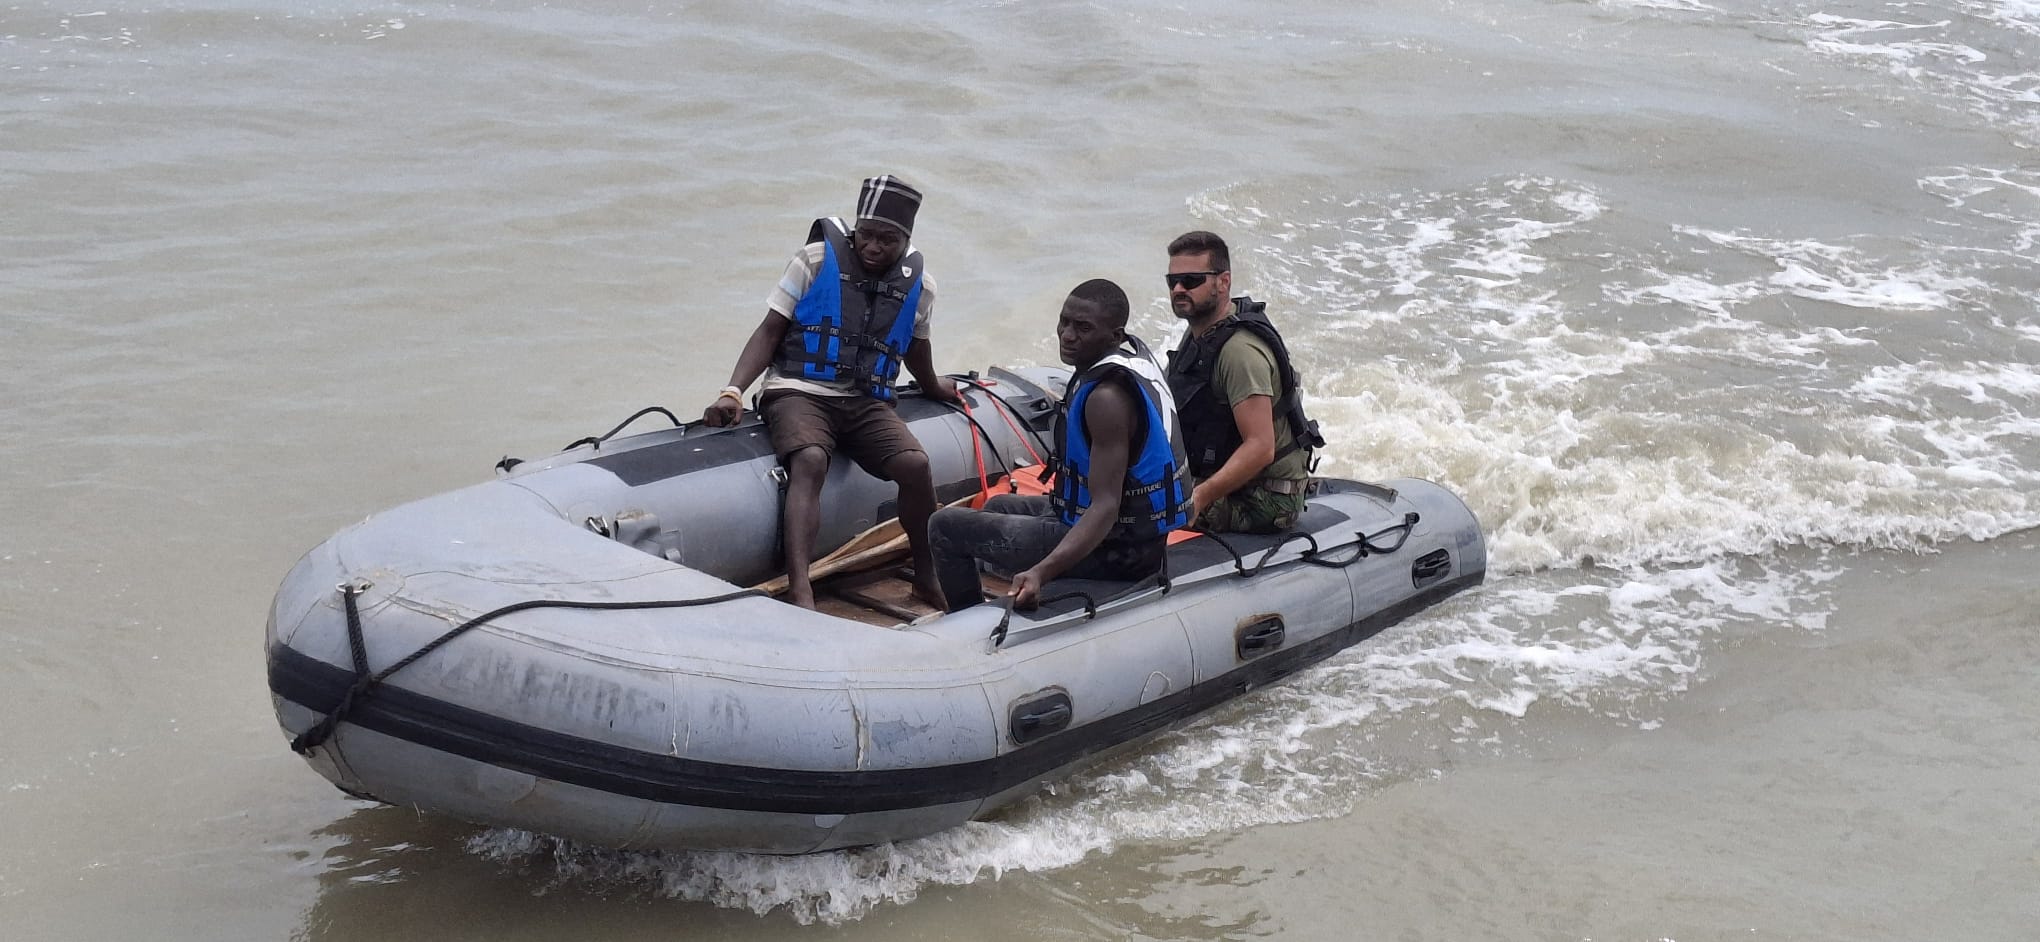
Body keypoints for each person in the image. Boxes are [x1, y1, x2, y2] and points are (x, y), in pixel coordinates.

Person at [702, 175, 959, 609]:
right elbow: (770, 330)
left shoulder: (922, 285)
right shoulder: (815, 259)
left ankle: (926, 574)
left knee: (916, 465)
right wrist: (732, 391)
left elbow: (916, 346)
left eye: (888, 240)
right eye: (867, 235)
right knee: (811, 458)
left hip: (863, 400)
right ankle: (801, 587)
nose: (874, 247)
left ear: (906, 239)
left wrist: (934, 386)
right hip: (797, 389)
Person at [926, 279, 1192, 612]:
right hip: (1128, 533)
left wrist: (1042, 571)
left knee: (945, 527)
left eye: (1082, 328)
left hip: (1121, 552)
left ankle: (968, 629)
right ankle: (996, 603)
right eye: (1064, 322)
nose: (1067, 334)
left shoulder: (1107, 399)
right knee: (998, 507)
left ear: (1114, 334)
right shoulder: (1126, 361)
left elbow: (1106, 506)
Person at [1161, 230, 1324, 534]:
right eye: (1173, 282)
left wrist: (1199, 497)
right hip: (1231, 480)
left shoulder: (1239, 354)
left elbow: (1261, 447)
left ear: (1223, 282)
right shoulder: (1200, 333)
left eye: (1191, 281)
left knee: (1145, 514)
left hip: (1265, 498)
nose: (1179, 289)